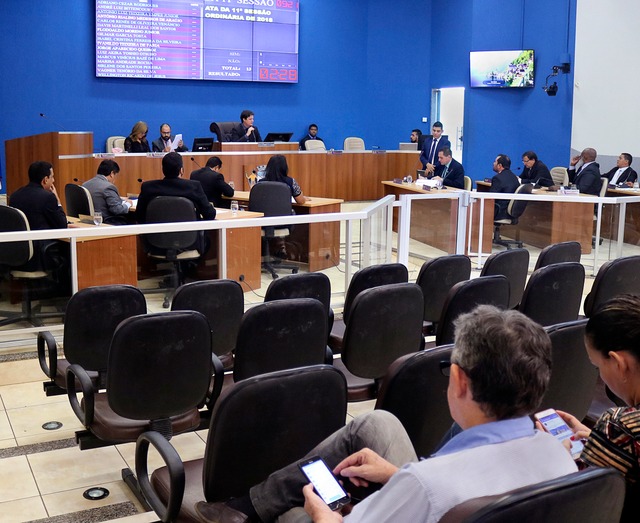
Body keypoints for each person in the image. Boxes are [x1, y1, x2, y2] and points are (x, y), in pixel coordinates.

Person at [195, 305, 578, 523]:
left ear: (460, 380)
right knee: (377, 423)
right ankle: (249, 505)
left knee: (296, 512)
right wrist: (395, 475)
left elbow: (433, 494)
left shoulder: (423, 485)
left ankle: (251, 514)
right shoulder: (560, 453)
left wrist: (317, 509)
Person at [556, 294, 640, 522]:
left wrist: (561, 459)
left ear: (618, 363)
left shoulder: (620, 426)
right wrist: (604, 445)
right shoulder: (619, 436)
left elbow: (577, 508)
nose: (600, 375)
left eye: (597, 366)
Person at [136, 152, 215, 254]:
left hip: (155, 242)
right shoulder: (193, 186)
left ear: (163, 169)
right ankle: (191, 267)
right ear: (181, 170)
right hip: (190, 243)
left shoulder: (148, 187)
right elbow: (210, 214)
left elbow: (139, 217)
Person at [9, 161, 70, 276]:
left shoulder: (15, 196)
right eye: (52, 177)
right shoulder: (48, 197)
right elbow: (62, 226)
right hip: (40, 255)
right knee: (69, 251)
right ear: (45, 180)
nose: (54, 181)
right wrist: (58, 200)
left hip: (18, 255)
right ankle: (66, 291)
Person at [83, 159, 133, 225]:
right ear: (112, 174)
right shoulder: (108, 187)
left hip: (88, 221)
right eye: (115, 175)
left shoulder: (85, 184)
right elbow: (117, 210)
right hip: (106, 221)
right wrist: (128, 204)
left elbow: (100, 197)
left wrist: (120, 198)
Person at [490, 154, 520, 220]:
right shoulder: (514, 177)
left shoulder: (497, 178)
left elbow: (491, 198)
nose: (493, 163)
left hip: (500, 212)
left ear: (499, 166)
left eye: (495, 162)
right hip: (510, 213)